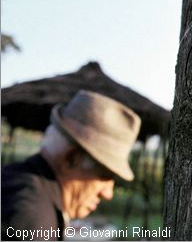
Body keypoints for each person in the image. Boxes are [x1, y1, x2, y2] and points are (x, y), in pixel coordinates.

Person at [1, 90, 141, 241]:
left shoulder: (23, 186)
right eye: (104, 176)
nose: (108, 194)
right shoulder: (32, 216)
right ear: (71, 159)